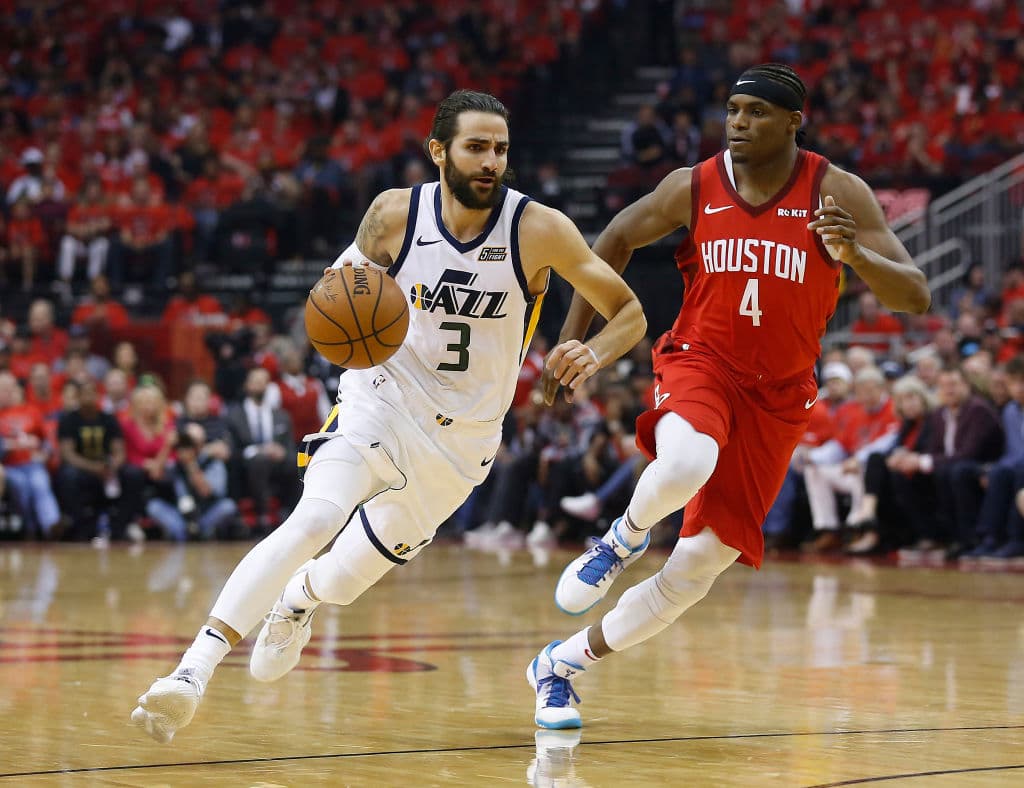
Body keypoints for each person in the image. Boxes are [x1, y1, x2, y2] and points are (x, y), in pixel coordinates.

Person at [130, 89, 645, 743]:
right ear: (439, 152)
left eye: (501, 149)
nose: (491, 161)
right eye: (476, 147)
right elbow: (337, 299)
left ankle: (299, 601)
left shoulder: (537, 228)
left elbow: (628, 310)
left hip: (463, 445)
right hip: (380, 396)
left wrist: (590, 350)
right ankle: (190, 672)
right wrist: (341, 311)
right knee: (314, 515)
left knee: (343, 579)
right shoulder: (392, 217)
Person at [525, 63, 930, 729]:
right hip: (701, 361)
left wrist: (855, 255)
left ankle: (560, 665)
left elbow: (914, 293)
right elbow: (615, 238)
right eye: (733, 110)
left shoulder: (837, 192)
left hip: (779, 396)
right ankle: (620, 539)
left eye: (756, 113)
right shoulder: (695, 185)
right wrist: (572, 341)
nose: (738, 123)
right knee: (685, 463)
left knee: (697, 569)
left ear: (794, 122)